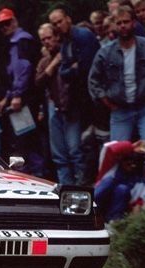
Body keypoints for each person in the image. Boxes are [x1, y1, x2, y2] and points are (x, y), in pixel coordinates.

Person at [88, 6, 145, 142]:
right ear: (114, 25)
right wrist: (105, 100)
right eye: (119, 23)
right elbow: (94, 80)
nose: (123, 26)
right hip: (120, 109)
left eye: (126, 22)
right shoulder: (105, 52)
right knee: (117, 149)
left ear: (134, 23)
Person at [0, 7, 45, 175]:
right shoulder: (14, 43)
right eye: (1, 25)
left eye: (7, 23)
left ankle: (37, 175)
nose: (4, 27)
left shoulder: (22, 41)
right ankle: (31, 173)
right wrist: (8, 97)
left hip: (26, 98)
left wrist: (17, 95)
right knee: (22, 140)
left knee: (27, 139)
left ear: (15, 21)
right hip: (20, 97)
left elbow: (24, 70)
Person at [36, 23, 84, 185]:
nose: (46, 42)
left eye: (49, 38)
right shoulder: (44, 61)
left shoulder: (69, 54)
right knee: (58, 154)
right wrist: (53, 65)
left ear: (57, 37)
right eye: (43, 39)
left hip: (71, 105)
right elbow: (38, 82)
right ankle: (66, 186)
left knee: (75, 150)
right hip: (53, 106)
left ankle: (81, 186)